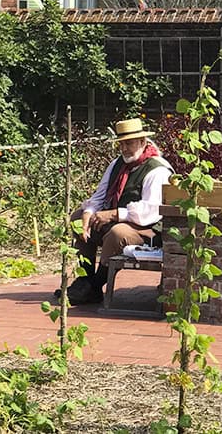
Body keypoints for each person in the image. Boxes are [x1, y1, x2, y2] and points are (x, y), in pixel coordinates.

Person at [56, 117, 173, 305]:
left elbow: (151, 210)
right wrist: (88, 214)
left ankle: (94, 285)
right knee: (77, 217)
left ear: (143, 142)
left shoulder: (157, 170)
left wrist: (114, 214)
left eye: (130, 143)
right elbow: (100, 195)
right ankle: (84, 279)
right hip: (119, 220)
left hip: (148, 228)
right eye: (122, 144)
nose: (125, 149)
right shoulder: (117, 164)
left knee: (117, 233)